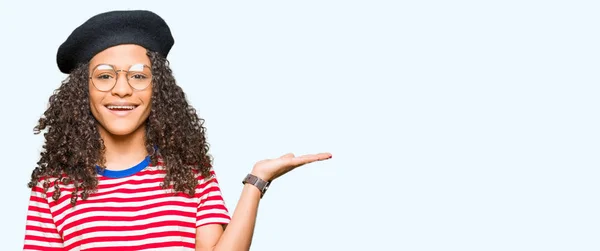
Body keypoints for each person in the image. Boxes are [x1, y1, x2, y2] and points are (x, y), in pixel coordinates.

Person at [23, 10, 331, 251]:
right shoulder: (53, 188)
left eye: (138, 77)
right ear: (82, 91)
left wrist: (257, 181)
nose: (121, 90)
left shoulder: (190, 173)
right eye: (104, 76)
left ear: (158, 88)